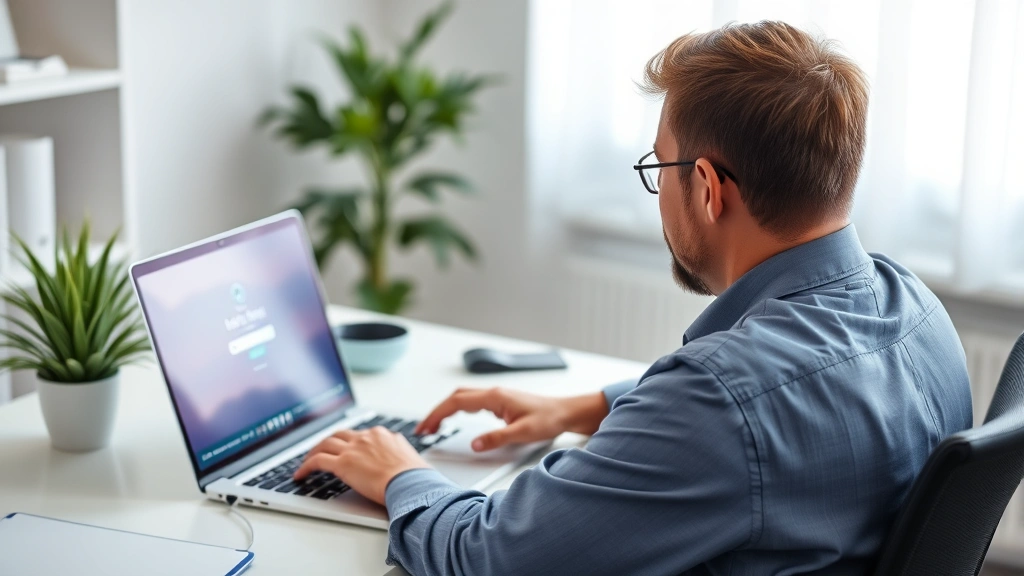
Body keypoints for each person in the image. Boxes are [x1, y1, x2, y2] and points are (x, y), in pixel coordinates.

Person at [293, 21, 973, 574]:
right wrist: (591, 406)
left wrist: (401, 473)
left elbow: (490, 557)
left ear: (708, 189)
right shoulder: (913, 308)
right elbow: (788, 428)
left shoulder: (723, 398)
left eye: (661, 167)